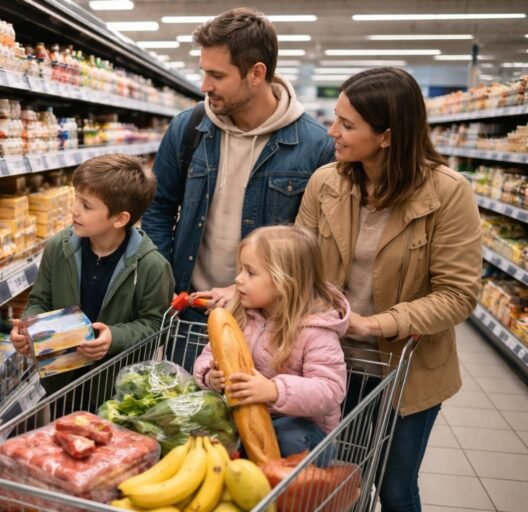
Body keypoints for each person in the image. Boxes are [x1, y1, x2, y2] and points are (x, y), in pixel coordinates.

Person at [296, 67, 482, 512]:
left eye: (347, 124)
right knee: (332, 484)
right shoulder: (326, 182)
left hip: (405, 373)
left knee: (395, 488)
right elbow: (298, 264)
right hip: (329, 364)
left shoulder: (448, 193)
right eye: (335, 118)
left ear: (386, 136)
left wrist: (371, 324)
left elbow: (458, 294)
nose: (332, 131)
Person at [142, 7, 334, 318]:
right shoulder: (188, 129)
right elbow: (158, 208)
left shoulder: (315, 146)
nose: (205, 86)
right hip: (188, 307)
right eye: (204, 71)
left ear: (257, 73)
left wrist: (247, 290)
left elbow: (312, 246)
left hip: (265, 319)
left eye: (217, 75)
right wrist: (164, 279)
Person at [10, 154, 175, 395]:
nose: (74, 210)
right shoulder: (59, 248)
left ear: (120, 218)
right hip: (61, 383)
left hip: (114, 387)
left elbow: (155, 325)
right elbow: (39, 300)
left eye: (86, 205)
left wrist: (114, 338)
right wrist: (29, 328)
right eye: (76, 198)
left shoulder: (151, 266)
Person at [192, 226, 349, 458]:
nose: (238, 279)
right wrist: (210, 375)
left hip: (302, 430)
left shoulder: (316, 330)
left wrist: (274, 390)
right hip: (245, 417)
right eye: (240, 269)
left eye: (250, 273)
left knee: (287, 435)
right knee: (198, 423)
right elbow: (209, 355)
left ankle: (282, 488)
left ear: (285, 282)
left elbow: (330, 389)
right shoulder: (239, 314)